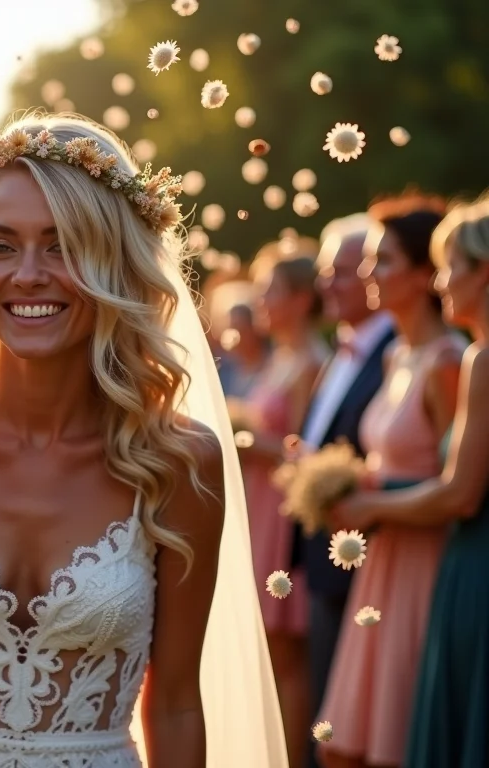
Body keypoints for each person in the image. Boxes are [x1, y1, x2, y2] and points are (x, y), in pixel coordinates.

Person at [0, 114, 286, 767]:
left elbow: (173, 702)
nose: (29, 274)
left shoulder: (180, 461)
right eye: (0, 246)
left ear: (117, 261)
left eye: (63, 245)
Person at [331, 194, 489, 768]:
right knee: (354, 741)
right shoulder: (404, 355)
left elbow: (458, 488)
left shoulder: (464, 360)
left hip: (439, 556)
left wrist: (370, 506)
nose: (446, 282)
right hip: (392, 555)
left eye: (451, 267)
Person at [291, 213, 394, 768]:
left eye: (343, 273)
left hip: (368, 562)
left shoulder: (395, 353)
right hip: (321, 555)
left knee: (350, 720)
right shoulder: (341, 352)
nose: (327, 284)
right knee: (324, 704)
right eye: (326, 273)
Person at [233, 239, 328, 768]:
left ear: (298, 299)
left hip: (282, 513)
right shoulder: (282, 358)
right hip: (260, 507)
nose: (263, 301)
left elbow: (301, 445)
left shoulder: (312, 361)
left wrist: (245, 442)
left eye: (272, 291)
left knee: (284, 652)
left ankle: (292, 759)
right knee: (268, 650)